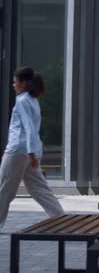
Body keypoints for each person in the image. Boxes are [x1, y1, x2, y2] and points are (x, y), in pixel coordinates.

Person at [0, 67, 64, 231]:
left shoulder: (22, 101)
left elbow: (28, 127)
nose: (13, 85)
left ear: (23, 83)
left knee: (4, 189)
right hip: (31, 151)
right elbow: (33, 129)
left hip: (17, 151)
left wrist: (30, 153)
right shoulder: (33, 100)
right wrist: (33, 153)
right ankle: (61, 219)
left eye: (15, 82)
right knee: (40, 189)